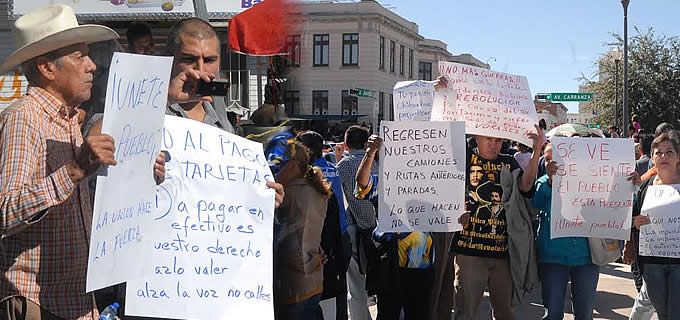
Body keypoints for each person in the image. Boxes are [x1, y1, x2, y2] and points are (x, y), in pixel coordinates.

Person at [0, 5, 164, 319]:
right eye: (79, 57)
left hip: (75, 300)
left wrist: (140, 173)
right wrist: (75, 171)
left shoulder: (70, 121)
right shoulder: (24, 120)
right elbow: (5, 211)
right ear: (47, 67)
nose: (92, 66)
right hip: (38, 300)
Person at [452, 127, 545, 320]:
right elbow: (444, 191)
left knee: (505, 312)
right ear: (476, 137)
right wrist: (456, 213)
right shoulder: (462, 159)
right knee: (466, 312)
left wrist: (537, 151)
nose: (494, 144)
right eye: (488, 139)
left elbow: (526, 187)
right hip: (469, 251)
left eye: (499, 140)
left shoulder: (508, 162)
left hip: (502, 252)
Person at [354, 135, 435, 320]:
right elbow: (361, 184)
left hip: (421, 262)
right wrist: (370, 153)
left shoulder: (431, 184)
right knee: (388, 313)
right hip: (388, 262)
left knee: (419, 313)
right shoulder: (381, 183)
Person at [531, 142, 610, 320]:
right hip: (553, 257)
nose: (551, 162)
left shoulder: (590, 181)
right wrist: (551, 182)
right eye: (547, 159)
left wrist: (630, 184)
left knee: (584, 313)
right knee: (553, 313)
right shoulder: (543, 183)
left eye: (555, 158)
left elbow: (615, 202)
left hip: (586, 257)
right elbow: (536, 204)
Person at [273, 140, 331, 320]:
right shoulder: (312, 188)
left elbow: (289, 244)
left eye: (276, 165)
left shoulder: (290, 193)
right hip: (312, 278)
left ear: (291, 166)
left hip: (293, 283)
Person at [296, 131, 352, 320]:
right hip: (340, 235)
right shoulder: (333, 168)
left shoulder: (304, 175)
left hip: (318, 243)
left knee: (316, 298)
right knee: (338, 293)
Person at [629, 132, 680, 320]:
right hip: (652, 263)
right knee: (663, 313)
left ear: (678, 157)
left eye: (669, 152)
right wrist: (635, 222)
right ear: (652, 158)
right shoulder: (645, 186)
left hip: (678, 263)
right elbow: (631, 218)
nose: (664, 157)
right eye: (658, 153)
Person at [336, 125, 375, 320]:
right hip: (379, 228)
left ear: (345, 143)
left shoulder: (342, 166)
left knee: (356, 284)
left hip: (354, 227)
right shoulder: (377, 163)